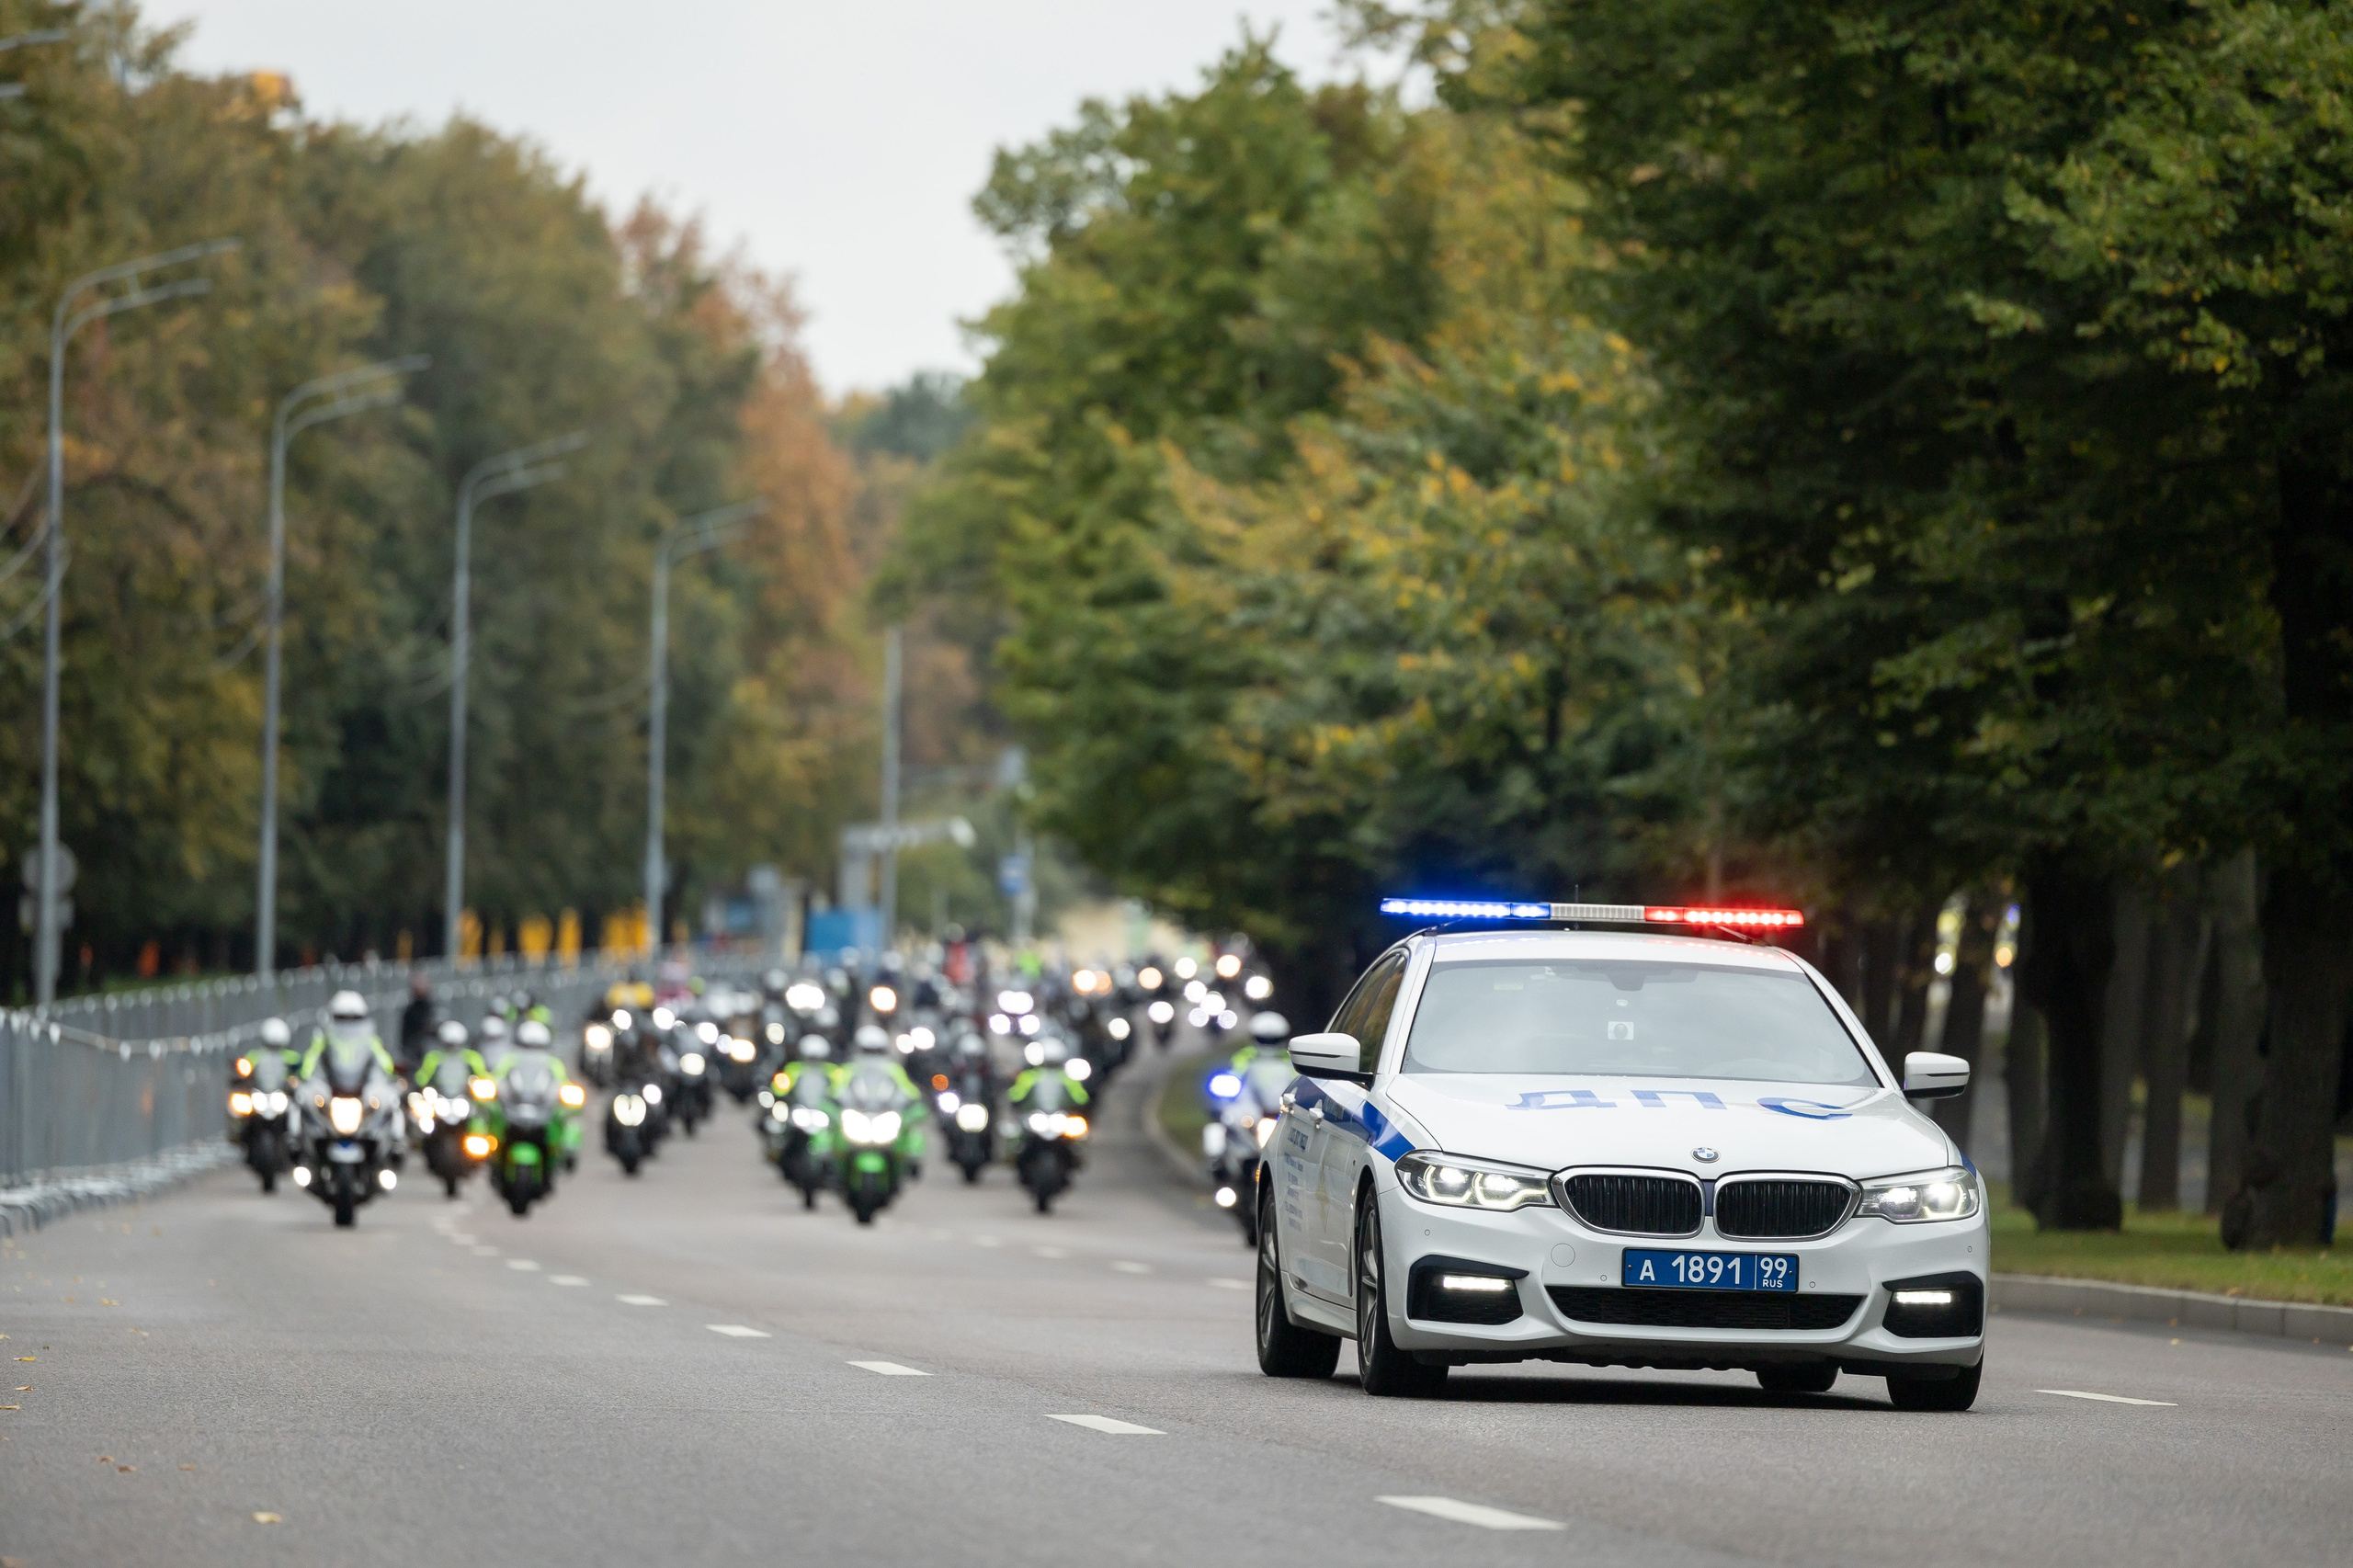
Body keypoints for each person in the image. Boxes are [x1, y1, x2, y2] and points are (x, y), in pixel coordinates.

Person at [298, 990, 395, 1081]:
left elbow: (383, 1060)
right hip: (332, 1086)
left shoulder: (369, 1038)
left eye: (354, 1019)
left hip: (362, 1087)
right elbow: (312, 1058)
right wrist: (307, 1077)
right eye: (342, 1018)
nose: (348, 1025)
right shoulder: (324, 1037)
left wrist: (388, 1075)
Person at [396, 971, 435, 1077]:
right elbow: (405, 1037)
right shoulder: (410, 1011)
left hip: (429, 1055)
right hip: (414, 1057)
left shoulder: (432, 1008)